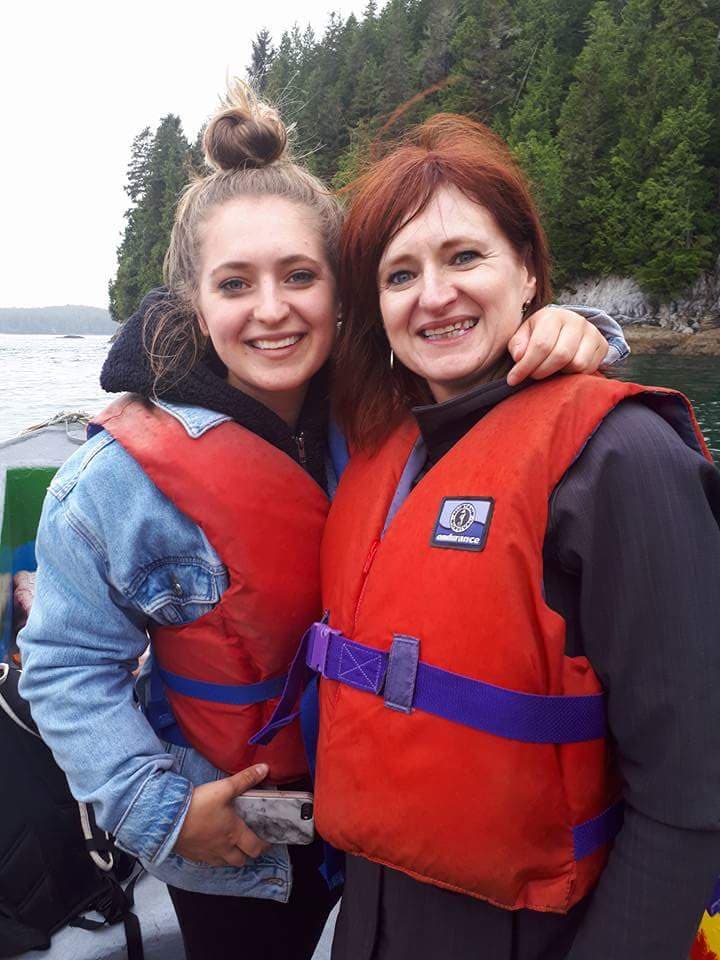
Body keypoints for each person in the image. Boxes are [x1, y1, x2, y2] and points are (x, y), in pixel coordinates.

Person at [18, 88, 625, 960]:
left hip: (393, 815)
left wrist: (570, 333)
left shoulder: (392, 409)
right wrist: (164, 813)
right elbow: (66, 663)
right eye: (235, 284)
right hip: (230, 842)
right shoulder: (111, 485)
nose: (272, 310)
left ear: (341, 289)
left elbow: (488, 370)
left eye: (300, 276)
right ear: (193, 298)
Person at [301, 115, 720, 960]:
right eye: (399, 273)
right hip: (376, 914)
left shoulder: (624, 460)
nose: (434, 295)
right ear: (375, 307)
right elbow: (246, 358)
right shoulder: (382, 443)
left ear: (527, 270)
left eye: (466, 257)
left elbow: (692, 793)